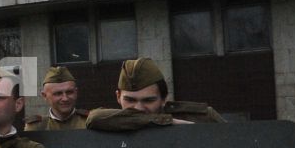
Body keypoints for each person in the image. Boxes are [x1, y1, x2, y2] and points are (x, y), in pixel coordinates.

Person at [84, 57, 225, 129]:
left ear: (164, 99)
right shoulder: (112, 122)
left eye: (148, 100)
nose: (138, 108)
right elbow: (93, 118)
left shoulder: (203, 117)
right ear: (118, 97)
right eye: (130, 100)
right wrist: (166, 122)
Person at [26, 65, 85, 131]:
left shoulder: (89, 122)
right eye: (58, 94)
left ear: (76, 92)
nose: (65, 98)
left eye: (69, 92)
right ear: (45, 96)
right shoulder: (37, 127)